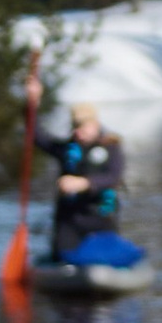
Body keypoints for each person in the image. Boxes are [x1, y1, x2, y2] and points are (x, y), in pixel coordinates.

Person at [49, 104, 125, 263]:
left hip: (101, 217)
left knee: (105, 257)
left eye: (82, 127)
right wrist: (32, 101)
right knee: (63, 254)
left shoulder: (111, 147)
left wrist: (83, 183)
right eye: (74, 128)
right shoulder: (66, 149)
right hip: (71, 219)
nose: (78, 132)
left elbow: (113, 177)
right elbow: (38, 137)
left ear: (94, 125)